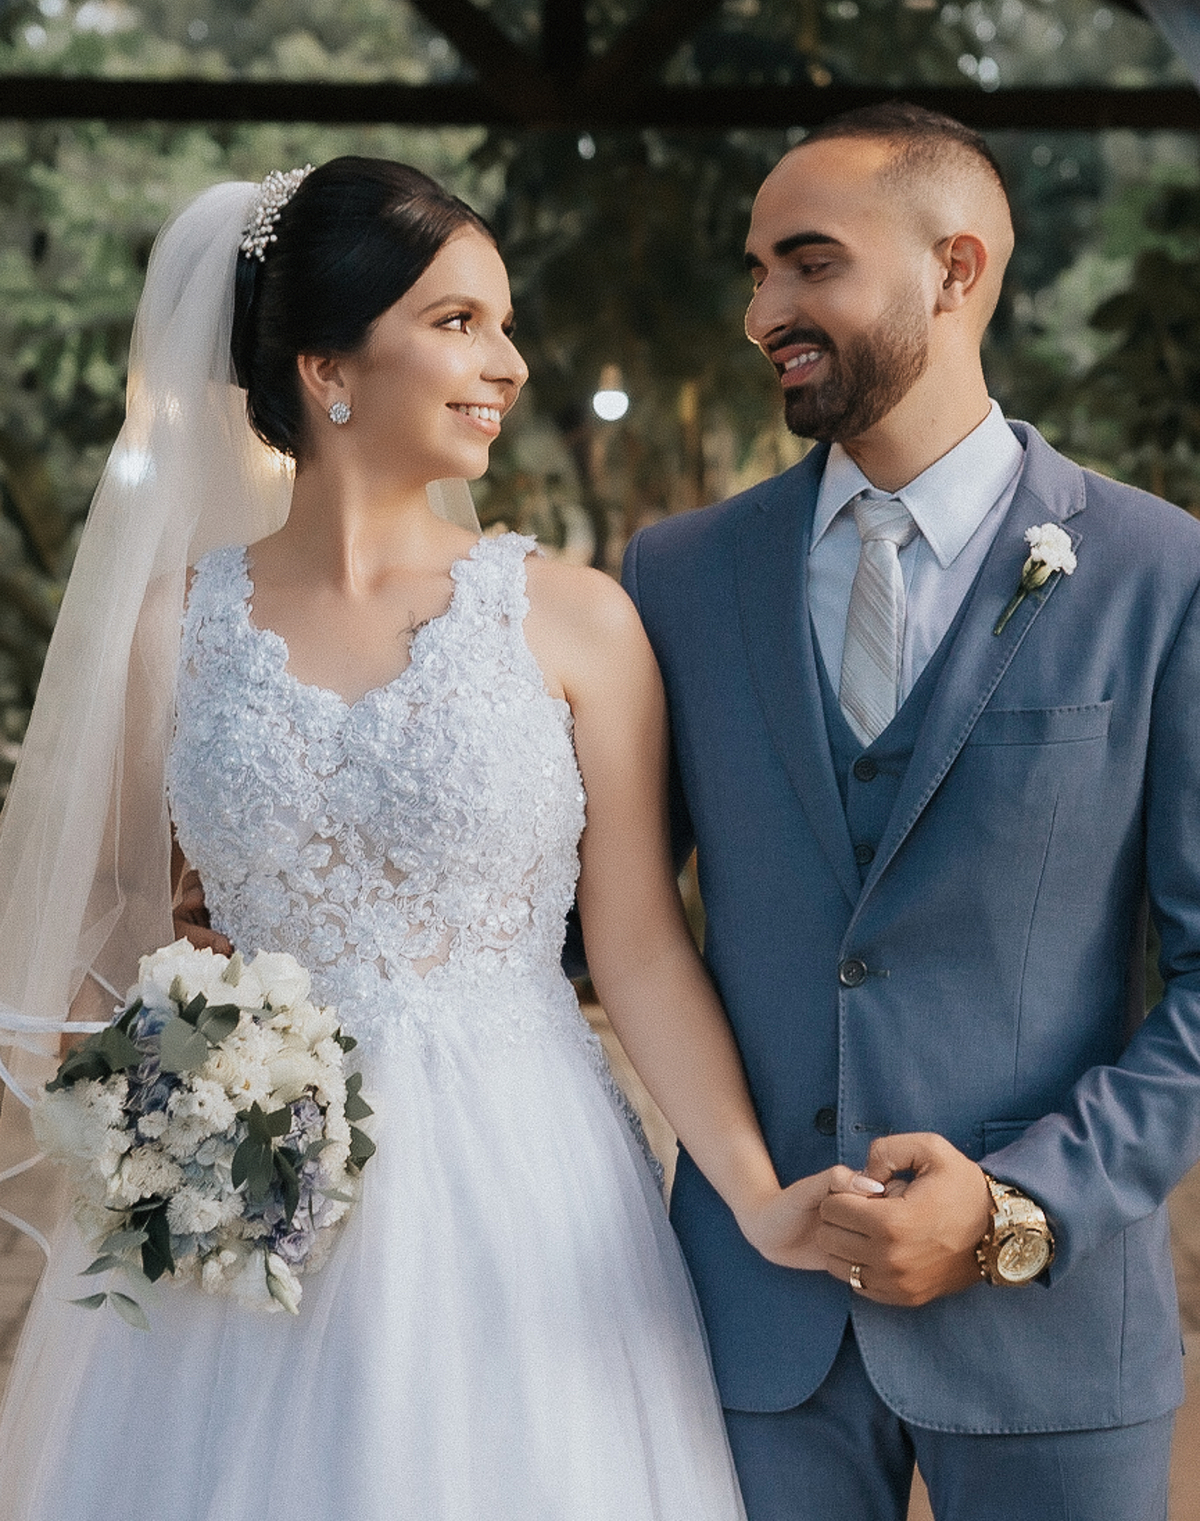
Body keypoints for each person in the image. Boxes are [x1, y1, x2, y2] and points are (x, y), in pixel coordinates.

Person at [0, 157, 872, 1520]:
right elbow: (114, 930)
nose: (508, 364)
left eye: (504, 324)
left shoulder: (576, 621)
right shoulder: (173, 628)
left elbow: (641, 952)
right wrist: (161, 1109)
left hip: (520, 1194)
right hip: (245, 1205)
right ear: (327, 368)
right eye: (458, 322)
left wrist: (758, 1195)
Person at [621, 103, 1200, 1521]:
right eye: (756, 272)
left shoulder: (1160, 573)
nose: (764, 312)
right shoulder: (679, 578)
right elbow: (600, 913)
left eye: (810, 263)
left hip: (1054, 1333)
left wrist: (1017, 1206)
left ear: (957, 268)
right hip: (756, 1323)